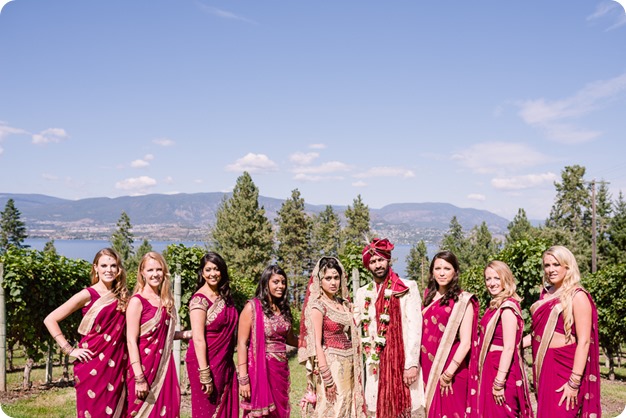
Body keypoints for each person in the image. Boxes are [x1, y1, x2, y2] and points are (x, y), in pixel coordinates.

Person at [44, 248, 129, 418]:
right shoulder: (87, 294)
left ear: (118, 269)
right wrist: (69, 349)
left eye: (113, 265)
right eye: (104, 265)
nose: (109, 270)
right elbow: (50, 319)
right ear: (95, 268)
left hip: (118, 364)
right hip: (92, 364)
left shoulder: (123, 295)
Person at [526, 245, 601, 417]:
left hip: (565, 368)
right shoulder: (544, 294)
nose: (551, 270)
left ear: (567, 266)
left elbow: (584, 341)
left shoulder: (578, 296)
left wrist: (574, 382)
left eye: (556, 264)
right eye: (547, 265)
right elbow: (539, 333)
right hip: (545, 364)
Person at [354, 238, 425, 418]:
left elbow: (415, 328)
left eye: (380, 260)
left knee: (406, 408)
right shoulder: (363, 293)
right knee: (377, 407)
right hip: (376, 365)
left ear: (388, 259)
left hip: (402, 363)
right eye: (372, 261)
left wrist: (411, 364)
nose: (377, 265)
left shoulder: (408, 287)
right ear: (368, 266)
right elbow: (356, 325)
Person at [298, 256, 366, 417]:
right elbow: (316, 344)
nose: (333, 282)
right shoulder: (318, 306)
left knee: (348, 406)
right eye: (328, 278)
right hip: (332, 366)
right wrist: (327, 377)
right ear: (320, 281)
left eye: (336, 277)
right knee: (334, 408)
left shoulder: (342, 304)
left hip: (350, 365)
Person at [126, 251, 185, 418]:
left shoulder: (166, 301)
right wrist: (139, 377)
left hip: (165, 367)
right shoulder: (137, 301)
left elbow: (166, 335)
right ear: (142, 273)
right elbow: (131, 340)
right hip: (143, 368)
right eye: (150, 270)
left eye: (159, 269)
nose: (155, 274)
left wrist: (190, 334)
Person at [420, 250, 478, 418]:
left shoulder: (463, 300)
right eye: (438, 268)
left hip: (451, 367)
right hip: (427, 365)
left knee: (452, 412)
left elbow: (466, 342)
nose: (442, 273)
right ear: (432, 272)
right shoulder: (427, 296)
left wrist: (449, 372)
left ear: (455, 271)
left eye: (447, 268)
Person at [237, 264, 299, 418]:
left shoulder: (283, 309)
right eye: (276, 282)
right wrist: (243, 379)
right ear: (266, 283)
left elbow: (290, 339)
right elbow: (242, 344)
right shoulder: (252, 307)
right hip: (260, 371)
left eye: (283, 282)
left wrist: (313, 341)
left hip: (280, 371)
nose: (281, 286)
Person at [476, 260, 533, 418]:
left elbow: (509, 347)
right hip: (491, 366)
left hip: (500, 369)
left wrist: (499, 382)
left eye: (496, 278)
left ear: (505, 279)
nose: (492, 283)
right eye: (488, 279)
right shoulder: (495, 305)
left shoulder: (507, 308)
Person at [185, 252, 239, 417]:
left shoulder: (224, 296)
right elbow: (199, 338)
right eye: (208, 270)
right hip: (205, 362)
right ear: (202, 273)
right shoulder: (199, 300)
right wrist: (205, 373)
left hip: (225, 361)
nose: (212, 274)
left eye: (216, 269)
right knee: (207, 411)